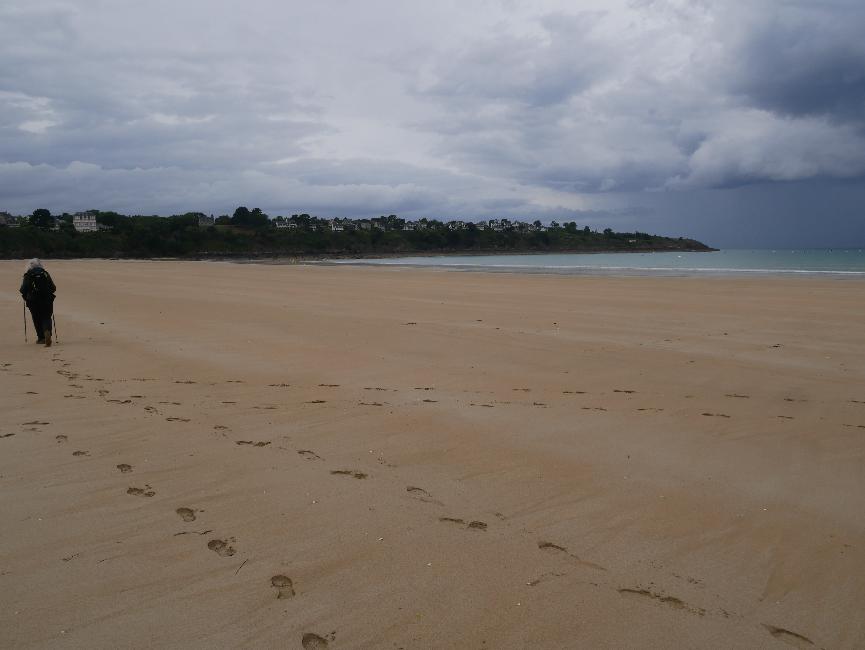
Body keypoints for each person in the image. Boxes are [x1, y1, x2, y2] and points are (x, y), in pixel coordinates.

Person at [20, 259, 56, 347]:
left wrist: (26, 296)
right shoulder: (45, 274)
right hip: (47, 300)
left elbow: (23, 289)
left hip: (33, 301)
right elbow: (53, 288)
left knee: (36, 318)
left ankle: (41, 338)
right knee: (46, 317)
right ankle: (47, 331)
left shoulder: (28, 275)